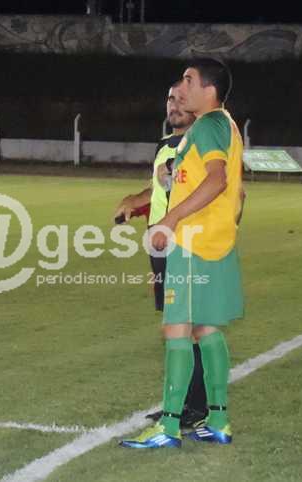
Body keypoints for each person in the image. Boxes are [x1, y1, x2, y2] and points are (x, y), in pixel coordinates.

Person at [121, 57, 245, 448]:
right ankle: (218, 421)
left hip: (193, 243)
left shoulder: (208, 125)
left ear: (209, 89)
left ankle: (169, 427)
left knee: (176, 329)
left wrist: (171, 219)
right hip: (213, 241)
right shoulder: (224, 124)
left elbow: (217, 180)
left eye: (189, 80)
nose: (182, 86)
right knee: (205, 328)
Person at [113, 82, 210, 430]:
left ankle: (195, 408)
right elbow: (157, 190)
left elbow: (220, 190)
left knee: (188, 326)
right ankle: (183, 404)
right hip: (161, 247)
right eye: (170, 98)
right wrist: (134, 202)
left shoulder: (203, 144)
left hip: (187, 244)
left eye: (182, 99)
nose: (174, 104)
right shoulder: (165, 144)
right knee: (175, 326)